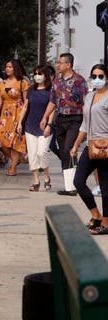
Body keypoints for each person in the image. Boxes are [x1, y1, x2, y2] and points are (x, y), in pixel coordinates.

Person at [40, 53, 88, 196]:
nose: (57, 65)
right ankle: (70, 187)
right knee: (63, 152)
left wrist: (86, 123)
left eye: (60, 63)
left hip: (75, 119)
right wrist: (45, 118)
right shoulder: (56, 80)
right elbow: (52, 101)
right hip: (60, 119)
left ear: (68, 65)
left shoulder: (80, 81)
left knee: (69, 149)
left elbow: (85, 103)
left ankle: (75, 184)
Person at [69, 64, 108, 234]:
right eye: (94, 76)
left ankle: (106, 224)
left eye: (101, 76)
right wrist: (76, 144)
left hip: (106, 146)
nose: (97, 79)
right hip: (91, 145)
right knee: (78, 181)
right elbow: (85, 124)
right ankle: (96, 215)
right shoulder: (89, 96)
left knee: (106, 187)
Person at [0, 59, 29, 176]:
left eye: (10, 67)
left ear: (15, 68)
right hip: (5, 114)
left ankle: (13, 168)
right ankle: (18, 159)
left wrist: (23, 117)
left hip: (18, 113)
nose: (7, 69)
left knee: (15, 141)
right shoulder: (1, 84)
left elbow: (27, 101)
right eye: (6, 66)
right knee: (0, 141)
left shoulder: (23, 83)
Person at [22, 65, 55, 191]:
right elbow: (25, 107)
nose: (37, 76)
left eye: (40, 74)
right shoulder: (31, 89)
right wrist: (20, 122)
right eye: (35, 73)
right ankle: (36, 181)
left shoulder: (51, 90)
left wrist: (49, 124)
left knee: (42, 152)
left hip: (45, 126)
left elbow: (53, 109)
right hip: (30, 125)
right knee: (33, 154)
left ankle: (46, 177)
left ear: (45, 75)